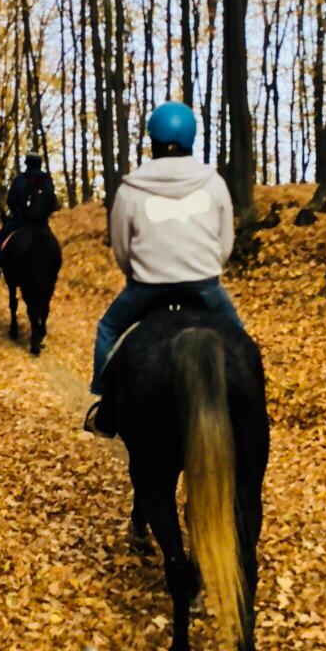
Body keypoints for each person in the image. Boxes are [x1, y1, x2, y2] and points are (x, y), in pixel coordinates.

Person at [85, 101, 243, 436]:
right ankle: (254, 397)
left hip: (147, 289)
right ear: (191, 139)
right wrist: (209, 268)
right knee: (242, 341)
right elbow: (225, 243)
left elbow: (121, 248)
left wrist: (137, 273)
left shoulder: (131, 189)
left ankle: (103, 407)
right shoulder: (213, 183)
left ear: (152, 140)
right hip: (204, 286)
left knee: (108, 330)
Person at [0, 151, 58, 277]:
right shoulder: (47, 179)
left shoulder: (19, 180)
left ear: (27, 163)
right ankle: (56, 267)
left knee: (1, 235)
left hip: (20, 221)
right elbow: (53, 202)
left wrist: (19, 214)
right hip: (41, 223)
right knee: (54, 246)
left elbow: (11, 201)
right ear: (40, 164)